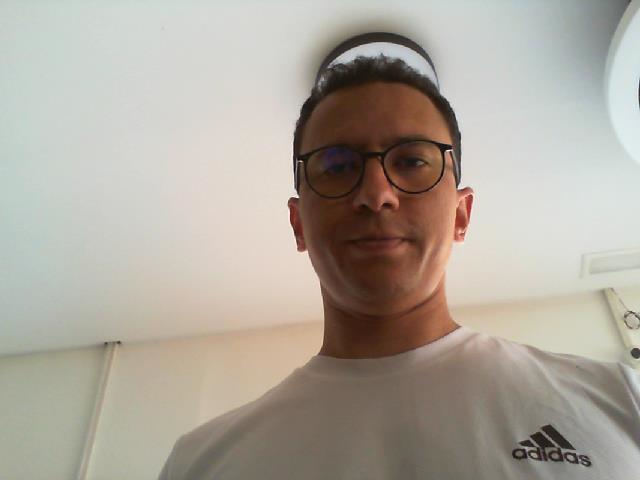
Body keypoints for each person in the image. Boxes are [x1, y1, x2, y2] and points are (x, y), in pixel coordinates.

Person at [158, 55, 640, 479]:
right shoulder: (200, 463)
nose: (376, 194)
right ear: (298, 224)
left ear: (460, 214)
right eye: (338, 165)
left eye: (411, 160)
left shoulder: (620, 398)